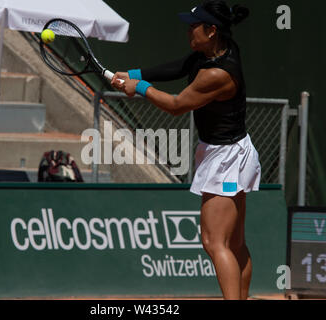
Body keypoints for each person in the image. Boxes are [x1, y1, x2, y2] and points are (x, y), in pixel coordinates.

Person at [111, 1, 261, 300]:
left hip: (226, 159)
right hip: (232, 151)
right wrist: (131, 72)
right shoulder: (216, 50)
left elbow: (177, 106)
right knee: (233, 243)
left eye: (194, 26)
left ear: (212, 30)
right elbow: (179, 67)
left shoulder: (218, 74)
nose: (189, 31)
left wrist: (138, 87)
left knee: (214, 241)